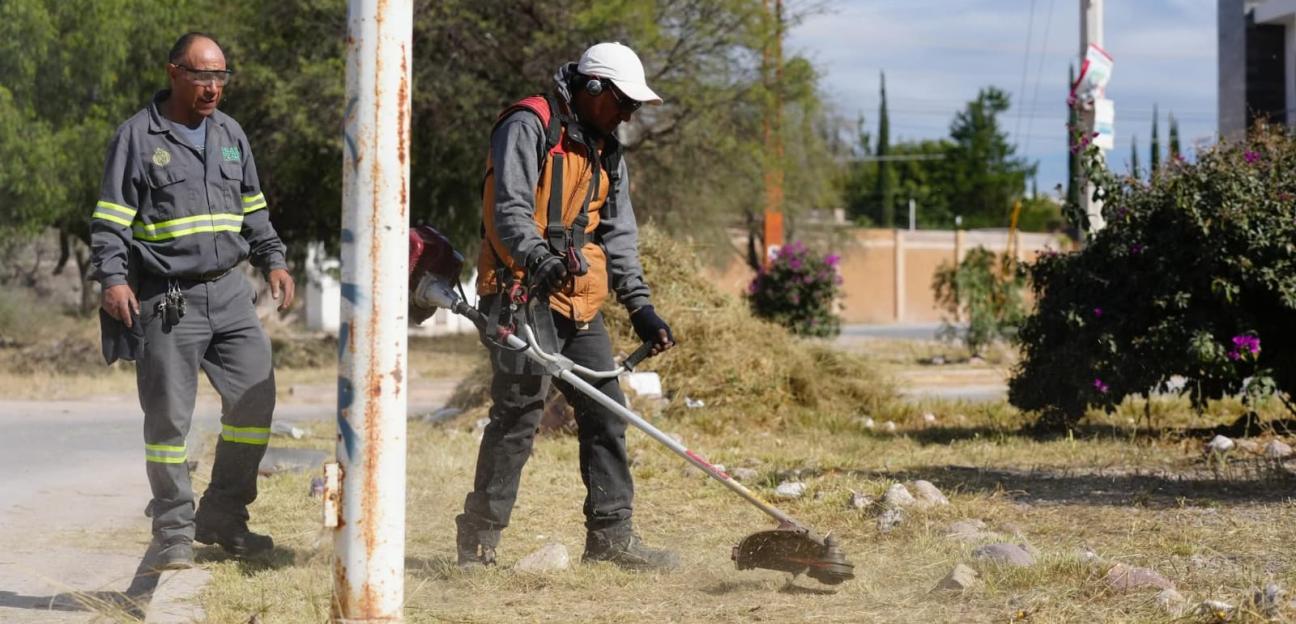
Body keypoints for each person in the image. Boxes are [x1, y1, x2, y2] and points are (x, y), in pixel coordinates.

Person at [456, 42, 678, 571]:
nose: (628, 115)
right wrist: (537, 259)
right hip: (518, 291)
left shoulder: (608, 149)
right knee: (519, 413)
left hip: (578, 298)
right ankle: (479, 542)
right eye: (624, 103)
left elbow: (618, 235)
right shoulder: (528, 125)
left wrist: (641, 306)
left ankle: (611, 537)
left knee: (607, 411)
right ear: (592, 88)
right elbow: (506, 209)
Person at [91, 32, 295, 570]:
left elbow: (254, 210)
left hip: (231, 294)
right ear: (174, 72)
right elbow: (110, 222)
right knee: (167, 424)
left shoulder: (230, 134)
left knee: (254, 400)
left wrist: (273, 258)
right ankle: (174, 530)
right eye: (202, 75)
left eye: (221, 76)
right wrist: (114, 280)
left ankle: (224, 515)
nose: (213, 87)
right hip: (168, 299)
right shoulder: (136, 137)